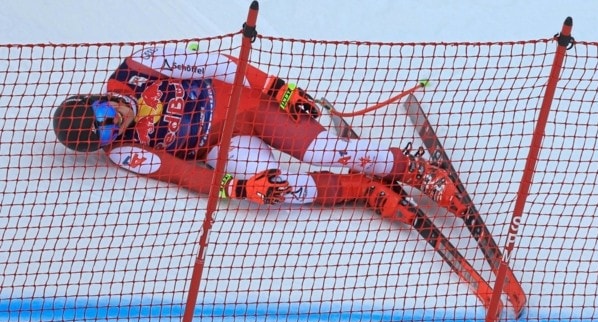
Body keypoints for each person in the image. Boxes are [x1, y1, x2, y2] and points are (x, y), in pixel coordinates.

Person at [52, 44, 467, 222]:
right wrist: (237, 188)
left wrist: (272, 87)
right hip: (221, 146)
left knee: (323, 151)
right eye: (106, 133)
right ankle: (364, 189)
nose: (115, 123)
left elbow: (213, 63)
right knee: (275, 191)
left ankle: (413, 169)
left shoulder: (136, 67)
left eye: (105, 113)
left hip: (244, 105)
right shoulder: (124, 151)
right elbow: (181, 173)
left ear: (95, 98)